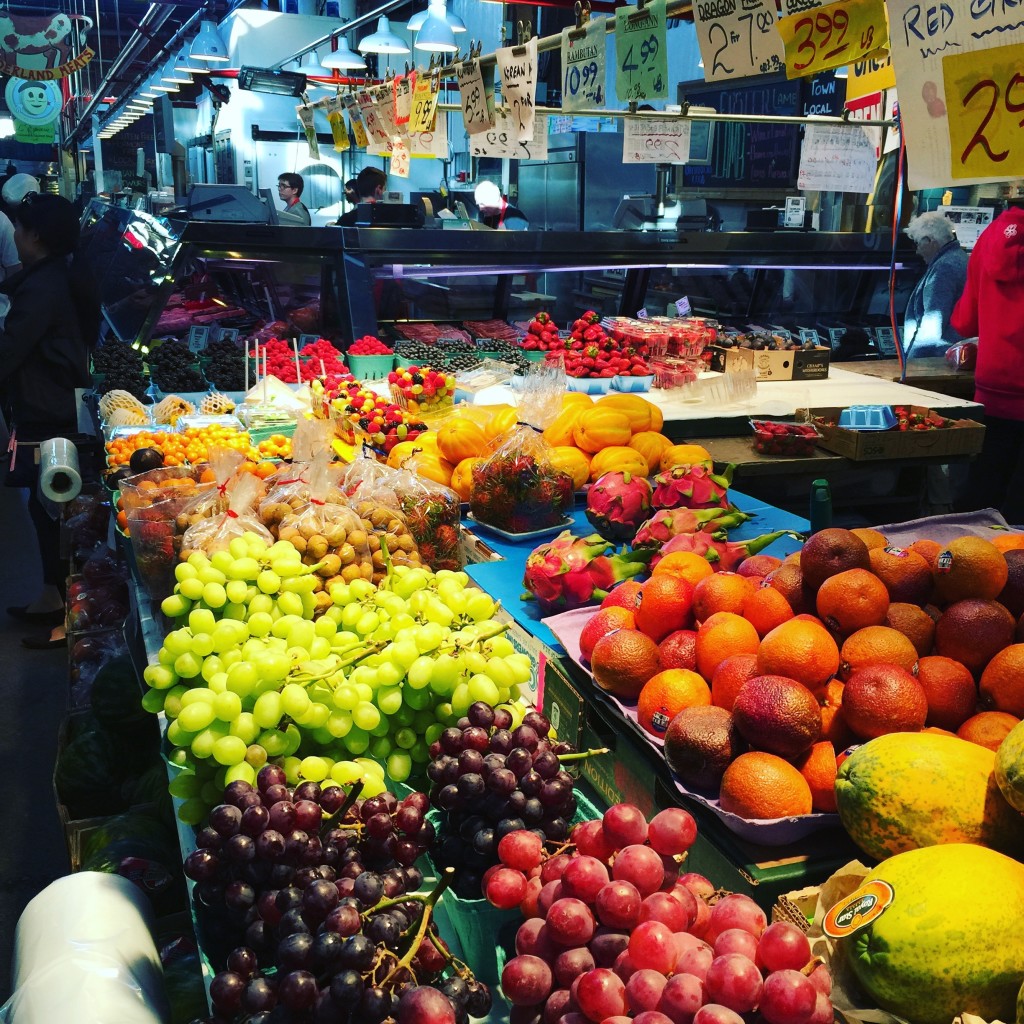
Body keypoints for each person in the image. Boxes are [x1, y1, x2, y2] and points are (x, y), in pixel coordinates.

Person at [0, 193, 99, 648]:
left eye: (19, 229)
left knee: (58, 511)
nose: (15, 236)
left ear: (35, 236)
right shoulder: (56, 276)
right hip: (53, 404)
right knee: (47, 509)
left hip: (50, 410)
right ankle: (48, 595)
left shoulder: (42, 287)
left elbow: (10, 351)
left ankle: (69, 617)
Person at [951, 198, 1024, 522]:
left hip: (992, 386)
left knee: (982, 494)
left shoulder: (989, 237)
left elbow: (966, 322)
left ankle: (965, 563)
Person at [903, 211, 969, 358]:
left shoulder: (945, 267)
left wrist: (913, 363)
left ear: (930, 241)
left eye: (918, 243)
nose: (917, 251)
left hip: (937, 356)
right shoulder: (959, 258)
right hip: (953, 351)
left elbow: (933, 322)